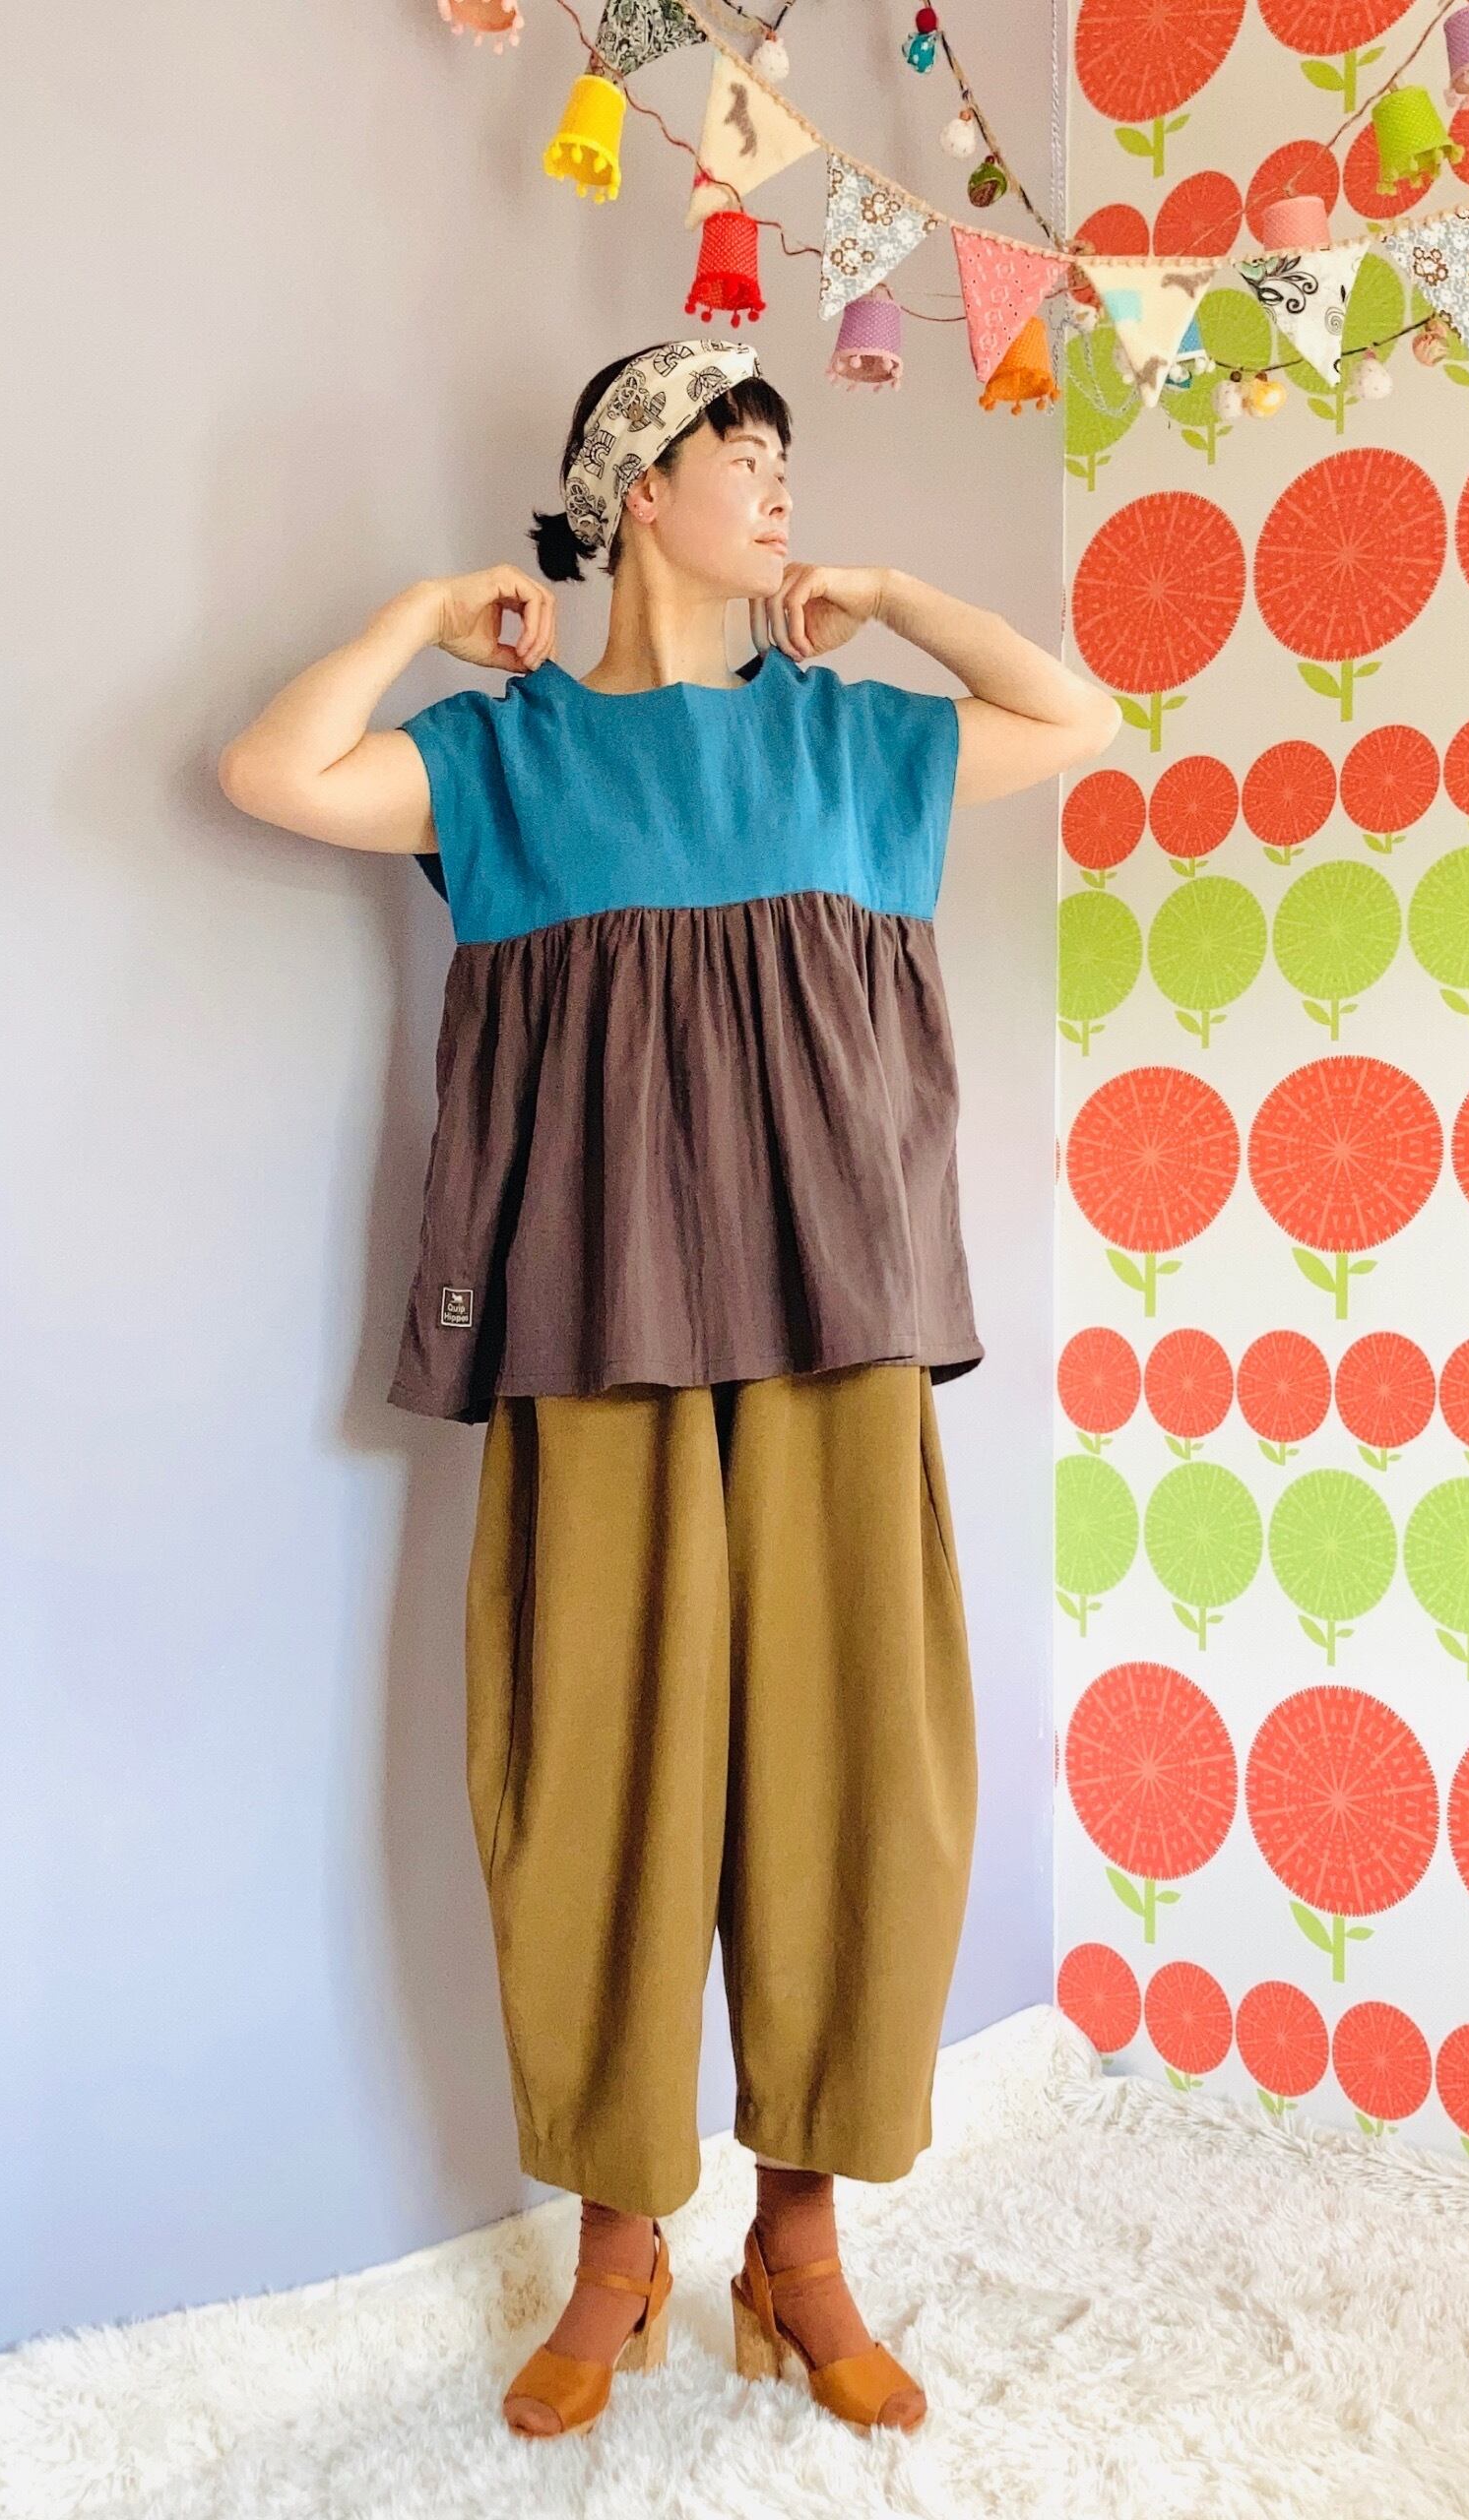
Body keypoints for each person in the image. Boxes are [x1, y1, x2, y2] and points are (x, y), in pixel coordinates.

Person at [219, 337, 1118, 2441]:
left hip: (835, 1316)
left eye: (787, 457)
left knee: (850, 1775)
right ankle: (617, 2248)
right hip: (594, 1317)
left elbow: (1076, 716)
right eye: (742, 453)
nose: (780, 486)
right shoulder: (510, 757)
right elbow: (274, 771)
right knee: (596, 1781)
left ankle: (799, 2246)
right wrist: (422, 616)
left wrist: (890, 595)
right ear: (638, 487)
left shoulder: (850, 739)